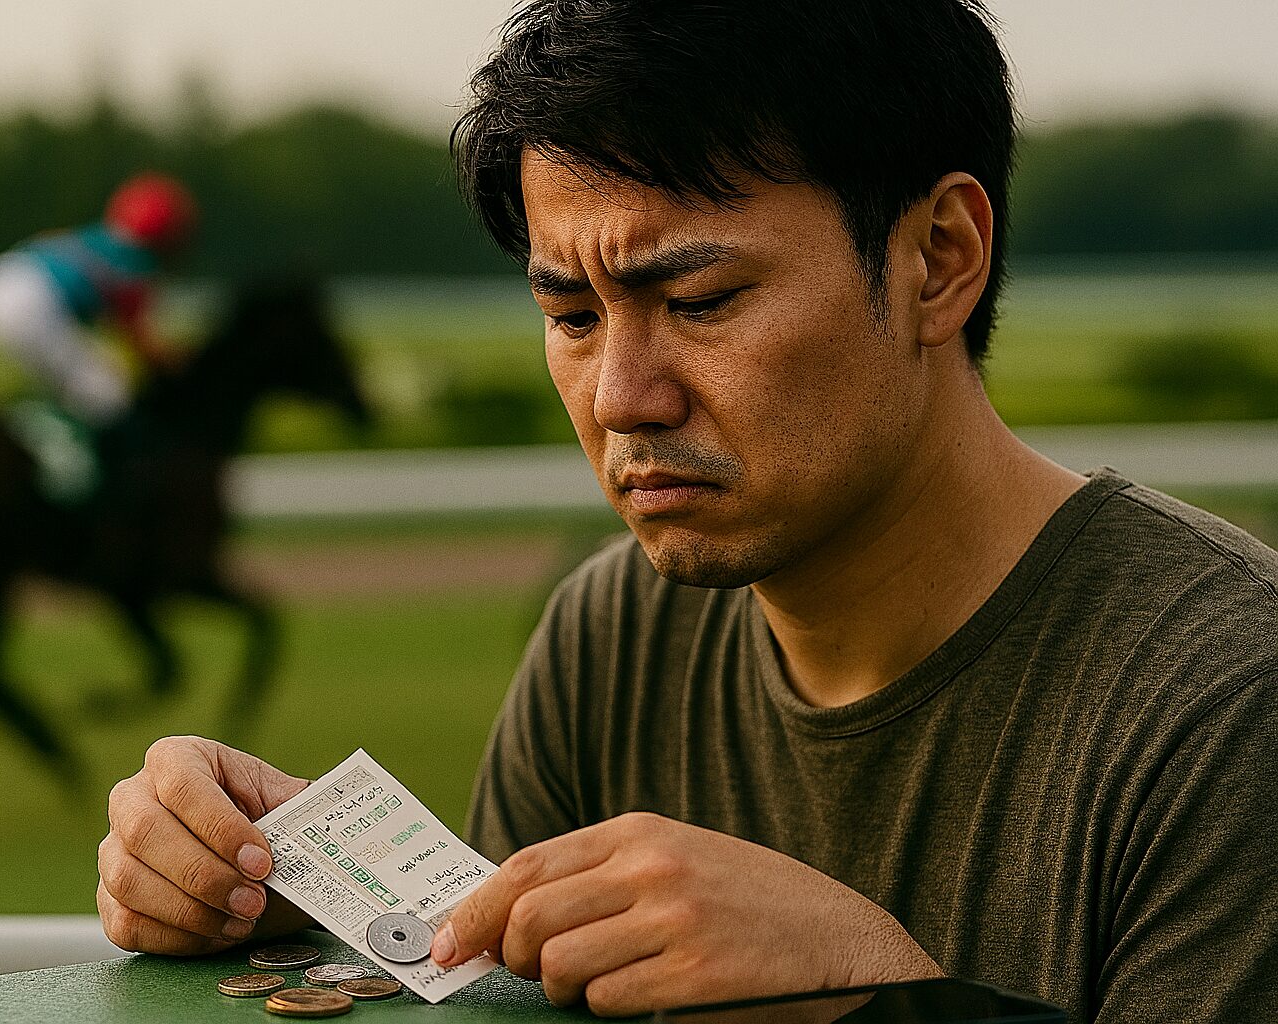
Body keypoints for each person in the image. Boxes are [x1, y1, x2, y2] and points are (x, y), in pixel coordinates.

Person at [93, 3, 1278, 1021]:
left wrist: (869, 992)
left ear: (939, 258)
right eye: (571, 315)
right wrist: (299, 907)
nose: (621, 396)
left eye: (702, 299)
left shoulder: (1230, 701)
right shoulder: (608, 636)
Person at [0, 172, 195, 427]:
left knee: (72, 385)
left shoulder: (95, 236)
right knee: (109, 397)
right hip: (31, 304)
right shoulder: (136, 262)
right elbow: (139, 343)